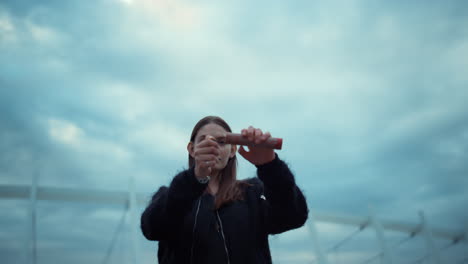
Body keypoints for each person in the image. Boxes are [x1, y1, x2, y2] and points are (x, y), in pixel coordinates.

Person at [140, 116, 308, 264]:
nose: (212, 146)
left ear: (233, 150)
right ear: (192, 150)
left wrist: (270, 166)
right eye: (204, 141)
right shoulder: (170, 197)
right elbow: (152, 228)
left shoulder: (253, 193)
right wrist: (194, 178)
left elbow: (293, 216)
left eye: (221, 142)